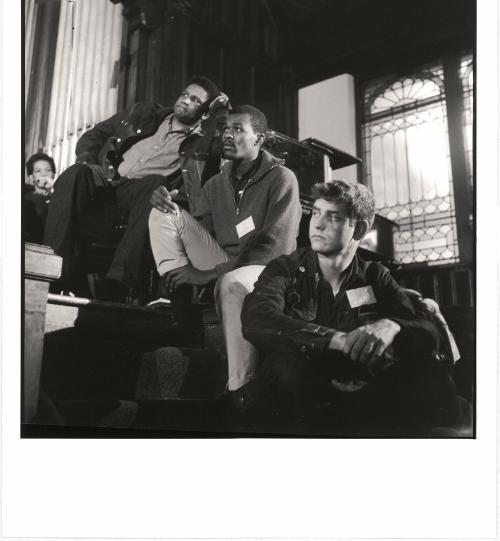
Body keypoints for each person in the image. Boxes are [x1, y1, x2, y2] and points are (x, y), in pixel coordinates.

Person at [241, 180, 461, 436]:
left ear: (359, 229)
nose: (317, 224)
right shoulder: (285, 268)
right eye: (316, 213)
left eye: (332, 217)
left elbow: (425, 329)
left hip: (363, 390)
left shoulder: (375, 275)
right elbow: (258, 319)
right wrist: (339, 340)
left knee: (431, 375)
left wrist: (393, 326)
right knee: (285, 370)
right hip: (303, 388)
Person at [148, 105, 302, 401]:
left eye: (237, 129)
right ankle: (179, 300)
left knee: (230, 283)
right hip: (225, 262)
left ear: (260, 138)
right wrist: (165, 199)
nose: (227, 135)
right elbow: (200, 226)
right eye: (225, 129)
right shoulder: (215, 184)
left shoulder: (282, 178)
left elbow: (274, 247)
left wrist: (209, 273)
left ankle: (240, 389)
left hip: (268, 269)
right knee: (162, 213)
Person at [43, 75, 227, 300]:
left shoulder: (202, 143)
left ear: (205, 111)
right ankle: (53, 273)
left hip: (139, 192)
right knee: (76, 173)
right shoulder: (144, 114)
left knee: (156, 184)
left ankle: (117, 284)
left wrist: (221, 112)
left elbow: (223, 144)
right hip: (108, 179)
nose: (186, 101)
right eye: (185, 95)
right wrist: (87, 159)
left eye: (196, 100)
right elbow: (96, 133)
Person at [25, 152, 57, 243]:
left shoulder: (59, 199)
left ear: (53, 175)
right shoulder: (25, 199)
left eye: (48, 170)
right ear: (31, 177)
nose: (44, 174)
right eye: (38, 171)